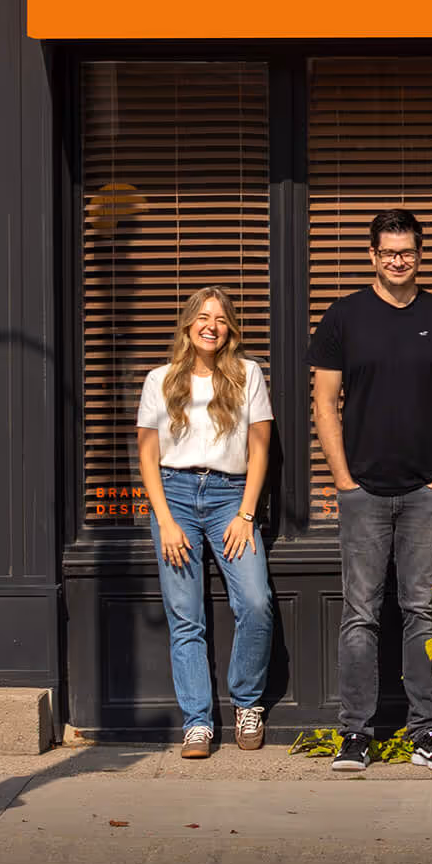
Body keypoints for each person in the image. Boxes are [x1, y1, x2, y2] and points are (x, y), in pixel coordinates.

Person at [311, 209, 432, 774]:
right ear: (372, 256)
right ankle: (354, 736)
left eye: (406, 251)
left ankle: (426, 734)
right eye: (387, 252)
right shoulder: (343, 318)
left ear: (420, 254)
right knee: (360, 614)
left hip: (423, 493)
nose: (397, 261)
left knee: (421, 612)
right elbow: (324, 404)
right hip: (362, 491)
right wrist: (343, 480)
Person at [135, 287, 276, 759]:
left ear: (230, 328)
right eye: (202, 317)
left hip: (230, 497)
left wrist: (245, 513)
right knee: (185, 616)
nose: (211, 325)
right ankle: (197, 722)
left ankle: (247, 704)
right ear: (188, 325)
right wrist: (165, 519)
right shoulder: (160, 380)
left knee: (256, 603)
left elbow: (260, 449)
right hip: (173, 495)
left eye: (220, 318)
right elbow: (148, 455)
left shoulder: (247, 375)